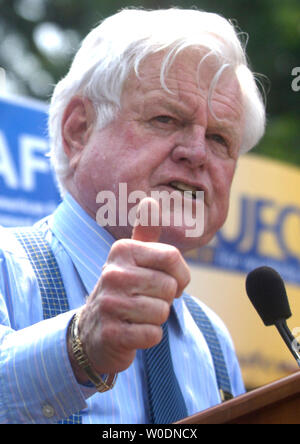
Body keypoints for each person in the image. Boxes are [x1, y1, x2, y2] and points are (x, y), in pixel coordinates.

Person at [0, 8, 265, 424]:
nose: (196, 153)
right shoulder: (6, 267)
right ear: (78, 131)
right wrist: (78, 346)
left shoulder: (213, 340)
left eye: (218, 138)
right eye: (166, 119)